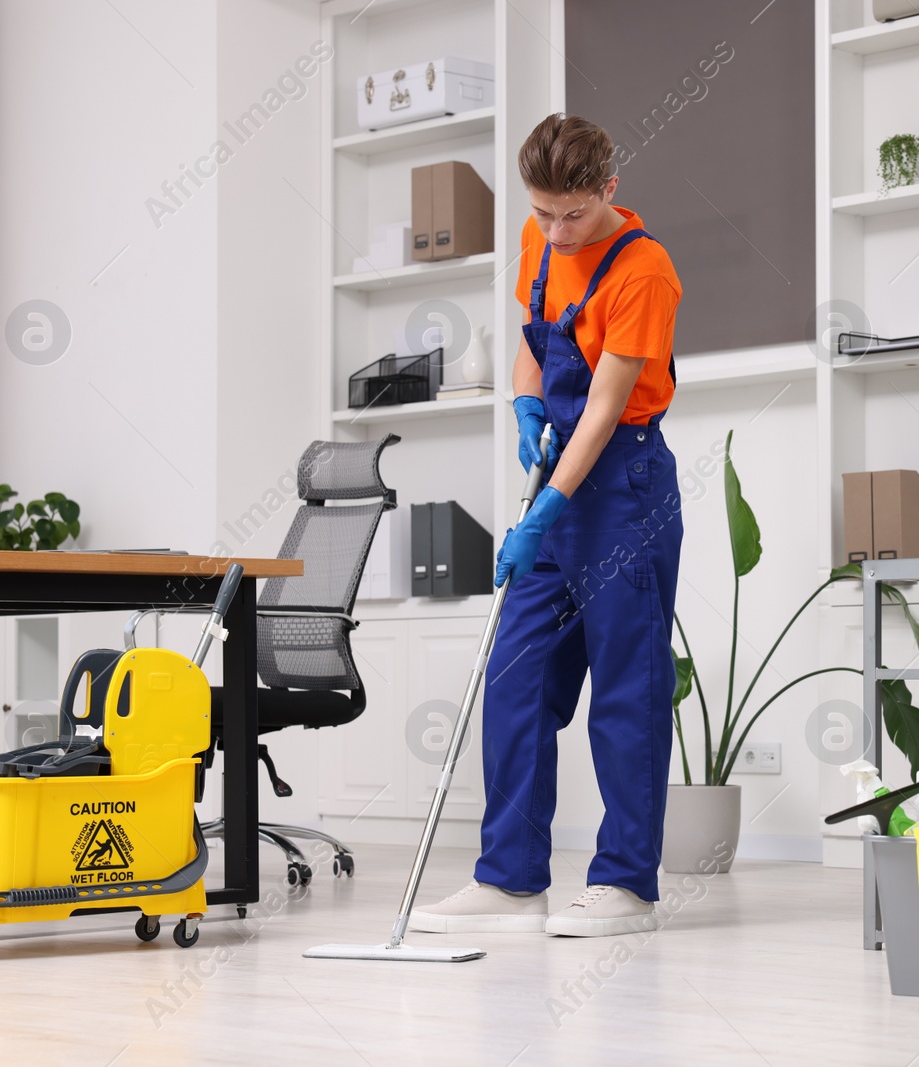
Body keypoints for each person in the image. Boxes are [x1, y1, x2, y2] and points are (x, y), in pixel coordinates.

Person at [410, 114, 684, 938]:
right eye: (542, 214)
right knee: (518, 674)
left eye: (572, 214)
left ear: (608, 189)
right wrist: (524, 402)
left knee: (627, 688)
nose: (556, 232)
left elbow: (603, 407)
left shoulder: (645, 270)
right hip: (561, 478)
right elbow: (534, 339)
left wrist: (549, 509)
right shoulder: (540, 244)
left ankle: (626, 883)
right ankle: (511, 876)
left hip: (624, 487)